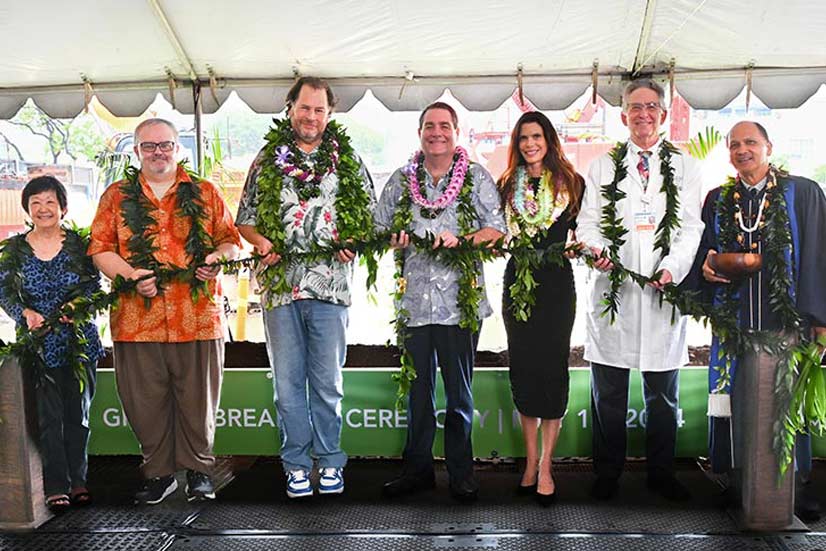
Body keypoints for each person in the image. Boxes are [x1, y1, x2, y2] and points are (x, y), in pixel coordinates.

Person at [236, 77, 376, 498]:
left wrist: (354, 240)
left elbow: (367, 217)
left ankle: (330, 460)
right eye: (304, 107)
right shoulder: (266, 159)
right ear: (290, 108)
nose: (311, 116)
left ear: (329, 114)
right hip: (280, 288)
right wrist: (259, 242)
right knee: (287, 383)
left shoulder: (347, 159)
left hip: (330, 289)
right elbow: (245, 218)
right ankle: (296, 463)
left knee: (328, 381)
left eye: (319, 109)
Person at [89, 118, 241, 504]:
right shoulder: (115, 197)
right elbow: (100, 249)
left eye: (166, 145)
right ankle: (158, 474)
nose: (158, 152)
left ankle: (199, 471)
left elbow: (232, 242)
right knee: (144, 402)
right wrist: (129, 275)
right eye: (149, 146)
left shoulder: (204, 193)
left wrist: (216, 259)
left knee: (198, 400)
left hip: (197, 315)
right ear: (136, 151)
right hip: (137, 321)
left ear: (178, 148)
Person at [576, 79, 704, 501]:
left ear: (663, 114)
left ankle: (661, 473)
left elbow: (690, 228)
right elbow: (588, 223)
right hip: (615, 291)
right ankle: (607, 473)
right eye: (635, 107)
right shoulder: (603, 166)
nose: (643, 113)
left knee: (663, 395)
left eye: (651, 106)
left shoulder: (685, 167)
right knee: (608, 392)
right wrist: (596, 251)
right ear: (623, 114)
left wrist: (671, 269)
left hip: (663, 293)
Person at [377, 102, 506, 502]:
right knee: (417, 394)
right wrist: (393, 237)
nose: (437, 132)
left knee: (459, 395)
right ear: (420, 132)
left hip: (459, 302)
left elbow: (497, 230)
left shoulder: (476, 177)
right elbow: (380, 228)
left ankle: (461, 473)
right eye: (430, 126)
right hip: (414, 303)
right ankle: (417, 471)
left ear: (456, 132)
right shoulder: (401, 180)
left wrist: (463, 241)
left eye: (445, 126)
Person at [697, 120, 826, 519]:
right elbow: (704, 251)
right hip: (736, 323)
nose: (742, 150)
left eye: (750, 142)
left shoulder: (801, 192)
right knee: (736, 401)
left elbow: (820, 254)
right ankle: (737, 482)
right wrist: (705, 268)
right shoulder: (719, 199)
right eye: (734, 145)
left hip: (786, 324)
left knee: (786, 403)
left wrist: (820, 318)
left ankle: (795, 488)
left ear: (769, 147)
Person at [0, 176, 104, 512]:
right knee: (47, 419)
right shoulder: (14, 249)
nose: (43, 209)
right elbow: (4, 292)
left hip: (78, 343)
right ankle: (55, 485)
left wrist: (77, 307)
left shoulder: (80, 245)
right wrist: (24, 312)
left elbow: (93, 286)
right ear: (28, 209)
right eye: (36, 203)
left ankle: (79, 482)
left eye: (49, 202)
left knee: (78, 416)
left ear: (62, 206)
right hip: (38, 345)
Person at [498, 112, 584, 506]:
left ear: (549, 139)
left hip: (555, 285)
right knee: (524, 367)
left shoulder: (572, 183)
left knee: (552, 368)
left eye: (536, 136)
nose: (530, 144)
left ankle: (548, 464)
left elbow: (587, 233)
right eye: (523, 138)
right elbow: (497, 234)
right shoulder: (504, 186)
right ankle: (530, 462)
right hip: (518, 283)